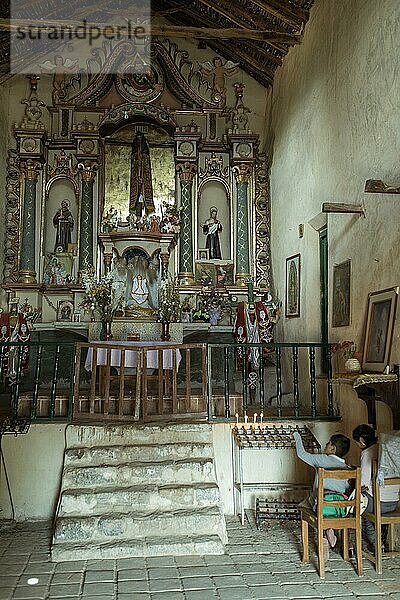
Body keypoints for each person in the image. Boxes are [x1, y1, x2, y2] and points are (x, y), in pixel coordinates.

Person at [294, 430, 351, 561]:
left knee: (306, 504)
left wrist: (296, 435)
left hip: (320, 507)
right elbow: (347, 490)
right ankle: (330, 530)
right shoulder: (346, 467)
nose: (325, 445)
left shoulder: (320, 459)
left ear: (332, 448)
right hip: (339, 510)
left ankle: (322, 537)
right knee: (328, 506)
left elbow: (301, 453)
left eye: (328, 443)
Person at [352, 424, 400, 551]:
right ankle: (382, 538)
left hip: (379, 504)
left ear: (361, 441)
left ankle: (377, 544)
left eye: (357, 442)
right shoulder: (386, 450)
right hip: (394, 502)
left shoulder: (367, 453)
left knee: (361, 510)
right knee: (376, 511)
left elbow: (363, 484)